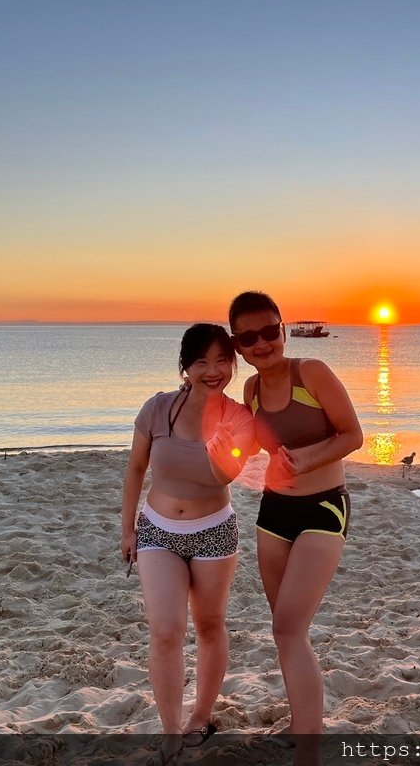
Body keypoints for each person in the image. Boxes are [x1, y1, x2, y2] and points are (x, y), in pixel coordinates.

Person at [228, 291, 363, 763]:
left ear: (282, 329)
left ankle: (309, 742)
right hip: (274, 514)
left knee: (288, 627)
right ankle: (302, 722)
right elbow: (247, 450)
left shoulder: (313, 372)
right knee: (287, 628)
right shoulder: (250, 392)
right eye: (249, 337)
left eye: (270, 330)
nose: (262, 342)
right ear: (238, 345)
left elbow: (353, 435)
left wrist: (306, 459)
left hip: (325, 509)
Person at [120, 323, 255, 766]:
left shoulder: (237, 418)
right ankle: (171, 731)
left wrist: (220, 447)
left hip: (214, 530)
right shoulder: (157, 409)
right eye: (201, 361)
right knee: (165, 631)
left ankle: (201, 714)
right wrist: (127, 529)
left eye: (222, 361)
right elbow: (136, 469)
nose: (212, 370)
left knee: (210, 624)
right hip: (158, 529)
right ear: (185, 367)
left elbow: (226, 476)